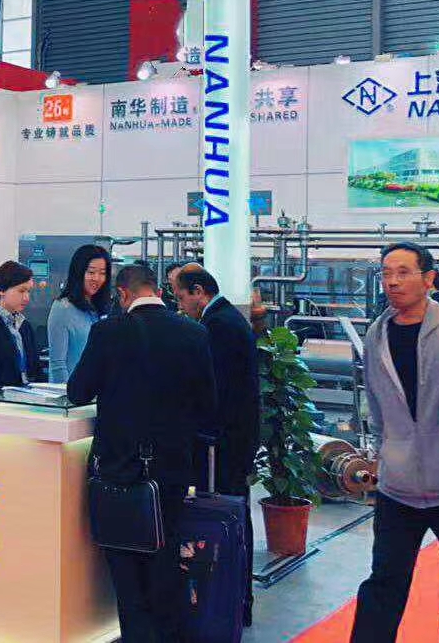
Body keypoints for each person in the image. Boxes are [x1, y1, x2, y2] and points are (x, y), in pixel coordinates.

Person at [68, 264, 218, 642]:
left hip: (120, 468)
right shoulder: (194, 332)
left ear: (122, 294)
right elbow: (208, 406)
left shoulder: (108, 332)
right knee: (166, 557)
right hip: (172, 470)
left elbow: (78, 391)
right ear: (158, 291)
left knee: (125, 567)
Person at [350, 242, 439, 642]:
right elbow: (376, 404)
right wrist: (381, 456)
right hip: (397, 489)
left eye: (403, 272)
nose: (392, 281)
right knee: (384, 583)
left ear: (429, 279)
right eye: (386, 273)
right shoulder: (377, 334)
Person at [173, 264, 260, 628]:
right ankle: (237, 598)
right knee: (235, 514)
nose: (180, 306)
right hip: (236, 438)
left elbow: (214, 390)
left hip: (226, 443)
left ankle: (230, 600)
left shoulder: (218, 325)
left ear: (199, 292)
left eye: (181, 297)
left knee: (228, 518)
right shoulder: (226, 318)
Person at [0, 260, 45, 390]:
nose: (27, 298)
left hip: (32, 395)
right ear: (1, 290)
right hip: (4, 397)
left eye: (28, 291)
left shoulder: (25, 326)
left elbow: (36, 370)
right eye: (21, 291)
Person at [46, 245, 112, 384]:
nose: (97, 278)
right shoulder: (62, 308)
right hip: (72, 393)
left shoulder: (99, 309)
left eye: (102, 273)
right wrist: (66, 393)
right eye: (91, 272)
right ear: (78, 272)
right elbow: (57, 364)